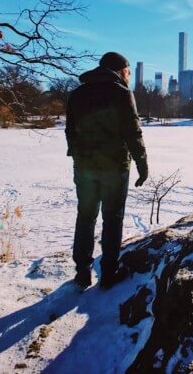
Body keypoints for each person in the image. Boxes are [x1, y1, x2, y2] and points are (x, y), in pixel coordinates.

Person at [65, 52, 148, 289]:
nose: (129, 76)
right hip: (114, 167)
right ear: (120, 70)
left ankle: (82, 271)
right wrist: (142, 164)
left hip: (85, 167)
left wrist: (77, 154)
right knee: (112, 218)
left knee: (86, 215)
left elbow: (70, 130)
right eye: (128, 72)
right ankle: (109, 273)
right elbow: (133, 132)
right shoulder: (121, 93)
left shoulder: (77, 94)